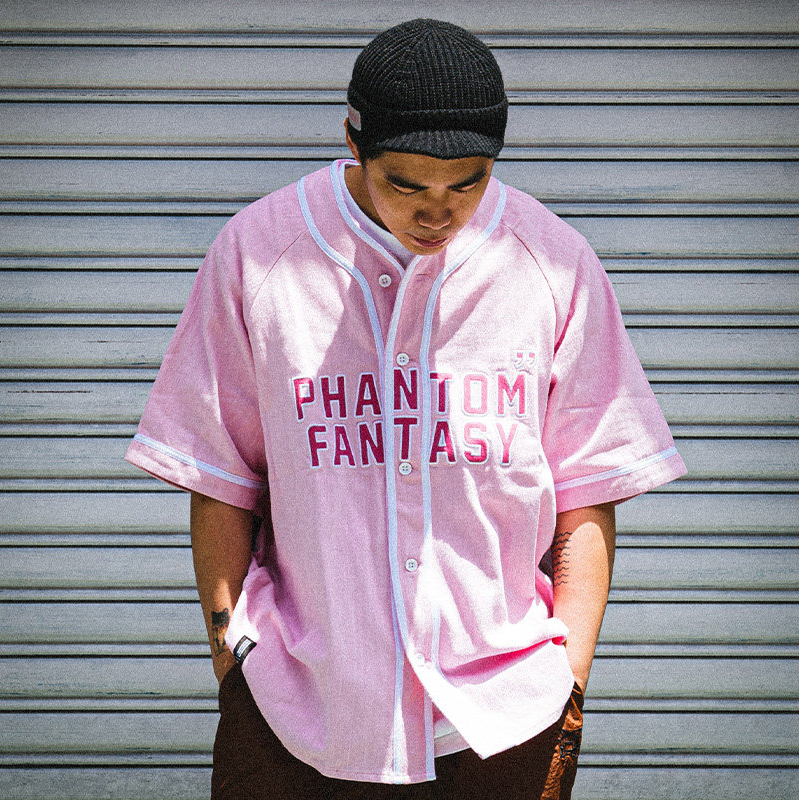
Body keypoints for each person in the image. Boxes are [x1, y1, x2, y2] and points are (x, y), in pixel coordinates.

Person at [126, 18, 686, 799]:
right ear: (353, 143)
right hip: (303, 715)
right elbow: (218, 475)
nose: (438, 212)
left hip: (504, 719)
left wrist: (572, 680)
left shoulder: (552, 264)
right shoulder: (259, 255)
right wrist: (235, 664)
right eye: (407, 185)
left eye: (468, 183)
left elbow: (588, 490)